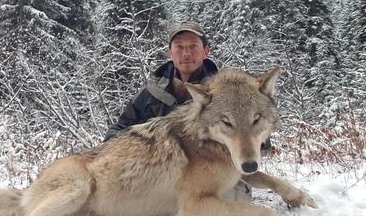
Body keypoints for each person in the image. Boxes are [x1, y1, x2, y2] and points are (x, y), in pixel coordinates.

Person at [104, 21, 272, 203]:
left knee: (232, 202)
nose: (186, 53)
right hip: (161, 173)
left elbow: (258, 136)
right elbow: (122, 126)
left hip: (210, 170)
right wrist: (113, 152)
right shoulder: (149, 93)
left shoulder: (226, 93)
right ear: (170, 53)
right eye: (179, 47)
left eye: (193, 46)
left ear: (205, 51)